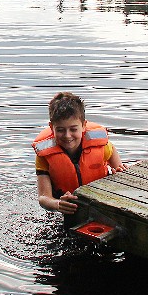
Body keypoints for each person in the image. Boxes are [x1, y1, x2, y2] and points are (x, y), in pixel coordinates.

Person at [33, 92, 127, 220]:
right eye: (60, 130)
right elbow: (44, 198)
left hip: (100, 203)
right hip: (66, 211)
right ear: (51, 127)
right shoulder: (44, 155)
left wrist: (120, 172)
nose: (67, 136)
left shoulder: (103, 146)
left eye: (73, 129)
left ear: (83, 125)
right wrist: (58, 204)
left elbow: (119, 170)